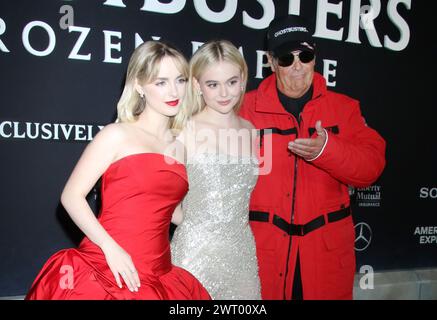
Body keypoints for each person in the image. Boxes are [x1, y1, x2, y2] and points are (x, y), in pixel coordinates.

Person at [25, 41, 211, 300]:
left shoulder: (179, 147)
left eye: (180, 80)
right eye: (161, 82)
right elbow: (71, 196)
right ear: (138, 85)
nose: (173, 91)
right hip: (108, 264)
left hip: (160, 271)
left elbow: (174, 213)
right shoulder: (117, 135)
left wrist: (218, 220)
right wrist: (111, 249)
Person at [239, 16, 386, 300]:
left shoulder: (345, 109)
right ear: (271, 61)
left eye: (304, 56)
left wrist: (327, 150)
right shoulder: (245, 108)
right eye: (285, 58)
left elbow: (372, 166)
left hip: (325, 258)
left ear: (314, 59)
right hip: (264, 254)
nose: (296, 65)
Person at [170, 40, 261, 300]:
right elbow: (164, 201)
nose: (224, 93)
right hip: (195, 256)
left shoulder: (251, 130)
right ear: (197, 86)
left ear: (243, 79)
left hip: (242, 255)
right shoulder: (183, 130)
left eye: (232, 82)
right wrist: (198, 228)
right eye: (213, 84)